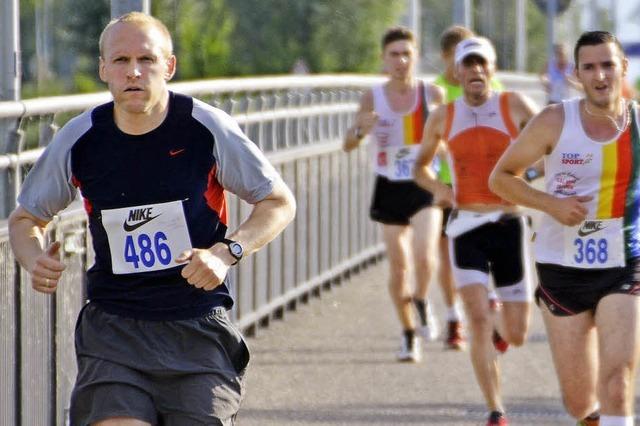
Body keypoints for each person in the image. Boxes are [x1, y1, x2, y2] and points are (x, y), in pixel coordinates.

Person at [8, 12, 296, 426]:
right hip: (115, 329)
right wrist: (34, 260)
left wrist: (226, 252)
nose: (134, 73)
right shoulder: (81, 137)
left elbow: (278, 202)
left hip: (196, 326)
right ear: (103, 69)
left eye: (147, 60)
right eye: (121, 61)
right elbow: (25, 219)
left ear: (169, 67)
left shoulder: (205, 128)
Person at [490, 30, 639, 426]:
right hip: (562, 267)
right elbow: (501, 177)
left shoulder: (639, 123)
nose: (600, 74)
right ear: (575, 75)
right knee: (579, 402)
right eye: (589, 67)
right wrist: (549, 204)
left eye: (608, 64)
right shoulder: (555, 121)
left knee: (618, 384)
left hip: (625, 263)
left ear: (623, 68)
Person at [414, 36, 537, 426]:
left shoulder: (514, 105)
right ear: (458, 72)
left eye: (483, 64)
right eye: (469, 66)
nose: (476, 72)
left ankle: (502, 329)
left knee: (516, 334)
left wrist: (533, 177)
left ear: (492, 70)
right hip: (466, 223)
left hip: (508, 222)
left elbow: (552, 140)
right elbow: (420, 167)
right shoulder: (443, 116)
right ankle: (495, 410)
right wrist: (438, 189)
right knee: (477, 318)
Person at [343, 26, 444, 362]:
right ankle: (408, 333)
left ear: (416, 56)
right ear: (384, 60)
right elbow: (347, 144)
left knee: (425, 256)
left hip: (423, 182)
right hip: (388, 184)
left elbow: (448, 140)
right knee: (399, 268)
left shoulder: (432, 95)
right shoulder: (374, 97)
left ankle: (422, 298)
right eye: (394, 55)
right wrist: (360, 131)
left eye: (407, 53)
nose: (401, 60)